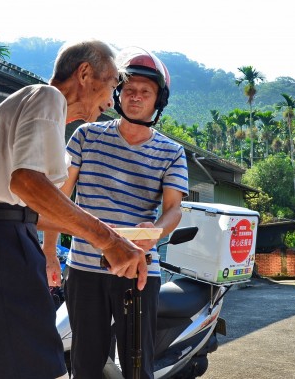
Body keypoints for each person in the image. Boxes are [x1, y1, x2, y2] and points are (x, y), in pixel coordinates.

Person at [0, 40, 149, 379]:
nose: (113, 99)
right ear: (85, 74)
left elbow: (35, 207)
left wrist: (114, 238)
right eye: (114, 84)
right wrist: (107, 240)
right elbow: (27, 184)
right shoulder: (48, 98)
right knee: (32, 365)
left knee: (22, 363)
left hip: (3, 235)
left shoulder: (43, 111)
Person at [44, 47, 189, 378]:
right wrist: (50, 251)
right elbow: (58, 196)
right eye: (129, 89)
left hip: (138, 272)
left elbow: (174, 210)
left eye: (145, 92)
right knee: (85, 364)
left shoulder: (171, 152)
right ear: (118, 93)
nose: (135, 97)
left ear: (158, 101)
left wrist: (153, 233)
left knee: (137, 368)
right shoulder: (86, 136)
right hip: (83, 269)